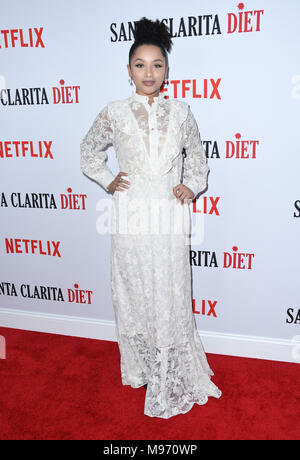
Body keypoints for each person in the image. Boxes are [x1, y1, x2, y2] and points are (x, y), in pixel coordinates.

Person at [80, 17, 221, 419]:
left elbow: (197, 156)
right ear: (128, 70)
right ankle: (142, 367)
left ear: (167, 70)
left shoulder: (181, 112)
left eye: (157, 64)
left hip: (168, 214)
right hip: (130, 215)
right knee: (134, 290)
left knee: (170, 292)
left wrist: (190, 186)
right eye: (140, 64)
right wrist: (108, 180)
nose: (149, 72)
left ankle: (170, 372)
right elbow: (89, 151)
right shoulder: (114, 112)